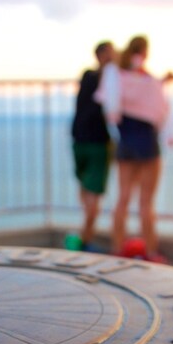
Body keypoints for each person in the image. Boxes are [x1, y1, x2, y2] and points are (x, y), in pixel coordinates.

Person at [96, 35, 173, 262]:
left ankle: (118, 247)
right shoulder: (148, 81)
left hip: (126, 143)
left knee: (123, 199)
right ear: (145, 52)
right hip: (148, 144)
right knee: (146, 202)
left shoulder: (116, 79)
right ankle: (151, 251)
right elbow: (159, 108)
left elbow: (110, 107)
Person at [70, 41, 116, 251]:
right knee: (93, 194)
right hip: (96, 141)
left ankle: (84, 235)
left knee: (85, 189)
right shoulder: (109, 78)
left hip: (79, 138)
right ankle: (85, 241)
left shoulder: (87, 76)